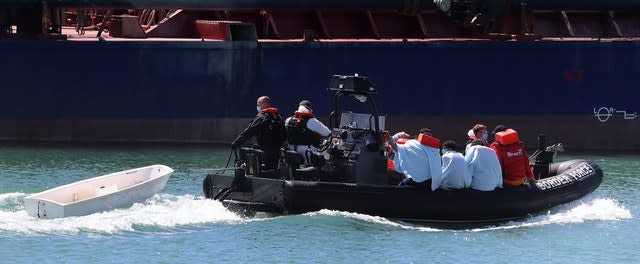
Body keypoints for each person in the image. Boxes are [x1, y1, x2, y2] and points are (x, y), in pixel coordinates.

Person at [231, 96, 286, 170]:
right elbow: (284, 134)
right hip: (276, 150)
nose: (257, 107)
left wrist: (236, 142)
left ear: (263, 104)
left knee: (262, 166)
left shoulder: (261, 117)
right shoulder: (278, 117)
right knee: (273, 168)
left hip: (264, 150)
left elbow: (249, 131)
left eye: (258, 104)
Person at [285, 100, 331, 165]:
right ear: (310, 109)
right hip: (307, 152)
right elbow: (327, 133)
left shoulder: (288, 120)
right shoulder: (312, 121)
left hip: (291, 150)